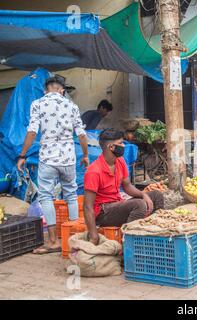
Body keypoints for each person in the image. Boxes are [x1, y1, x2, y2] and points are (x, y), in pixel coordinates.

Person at [16, 76, 89, 254]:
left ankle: (53, 241)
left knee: (46, 197)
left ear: (45, 90)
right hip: (68, 159)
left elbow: (32, 132)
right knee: (71, 195)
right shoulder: (71, 106)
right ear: (62, 90)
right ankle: (72, 240)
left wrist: (22, 155)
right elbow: (81, 134)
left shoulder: (38, 104)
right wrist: (85, 155)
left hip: (48, 158)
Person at [83, 129, 164, 244]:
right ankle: (129, 243)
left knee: (156, 195)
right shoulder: (94, 171)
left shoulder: (120, 161)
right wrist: (94, 235)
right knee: (139, 205)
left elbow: (127, 186)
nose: (123, 145)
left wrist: (143, 194)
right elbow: (87, 207)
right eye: (120, 143)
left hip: (117, 203)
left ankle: (157, 233)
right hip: (103, 213)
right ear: (111, 147)